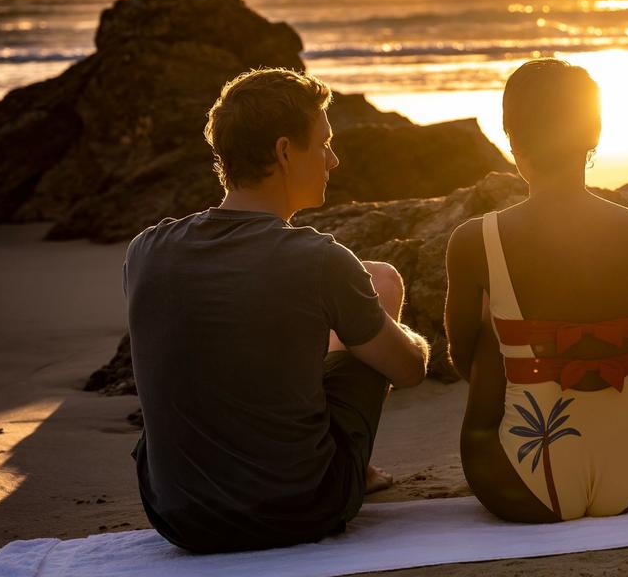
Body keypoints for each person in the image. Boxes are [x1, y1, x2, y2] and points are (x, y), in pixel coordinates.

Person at [124, 68, 431, 553]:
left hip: (177, 516)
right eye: (324, 143)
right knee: (382, 288)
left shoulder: (146, 250)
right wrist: (395, 329)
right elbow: (409, 370)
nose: (333, 159)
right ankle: (357, 470)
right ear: (285, 151)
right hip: (296, 511)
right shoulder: (321, 261)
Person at [444, 59, 628, 522]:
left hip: (521, 481)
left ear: (511, 138)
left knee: (494, 337)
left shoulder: (476, 239)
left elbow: (461, 355)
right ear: (595, 133)